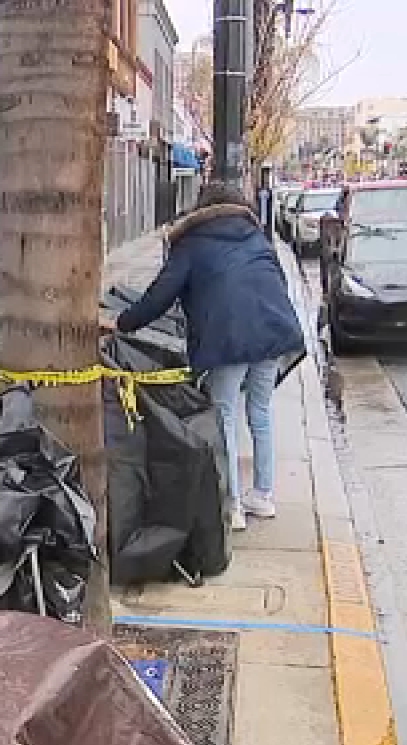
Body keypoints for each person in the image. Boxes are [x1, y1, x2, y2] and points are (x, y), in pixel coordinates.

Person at [110, 185, 306, 531]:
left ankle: (232, 505)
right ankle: (263, 496)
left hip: (227, 337)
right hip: (273, 331)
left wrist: (122, 322)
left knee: (223, 417)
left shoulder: (192, 243)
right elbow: (277, 284)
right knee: (260, 412)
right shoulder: (257, 238)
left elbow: (159, 296)